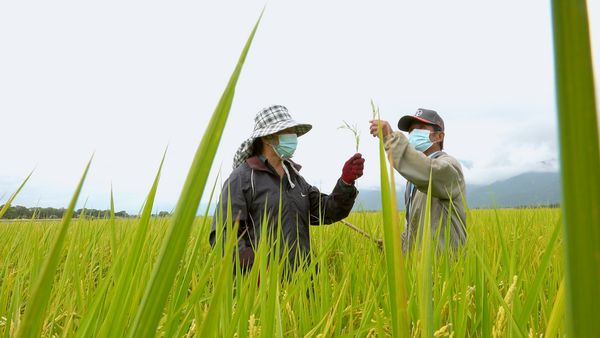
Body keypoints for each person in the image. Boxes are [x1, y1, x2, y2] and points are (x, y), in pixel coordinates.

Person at [210, 105, 365, 271]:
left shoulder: (295, 179)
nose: (292, 137)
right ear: (267, 137)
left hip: (304, 279)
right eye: (286, 131)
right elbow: (223, 234)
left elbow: (328, 211)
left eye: (293, 132)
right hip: (262, 286)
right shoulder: (242, 179)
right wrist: (255, 269)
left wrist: (345, 183)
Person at [369, 108, 467, 252]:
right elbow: (413, 229)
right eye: (411, 130)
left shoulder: (449, 167)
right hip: (420, 269)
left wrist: (391, 138)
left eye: (421, 128)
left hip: (446, 267)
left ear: (439, 136)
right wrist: (396, 247)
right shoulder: (413, 180)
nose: (414, 134)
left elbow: (428, 170)